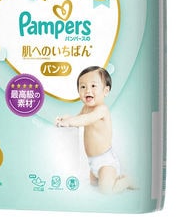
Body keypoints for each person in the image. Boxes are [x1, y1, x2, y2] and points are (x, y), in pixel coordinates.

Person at [55, 66, 135, 194]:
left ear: (106, 91)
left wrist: (69, 121)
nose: (88, 90)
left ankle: (126, 181)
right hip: (92, 162)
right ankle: (113, 178)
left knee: (106, 190)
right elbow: (78, 120)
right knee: (93, 184)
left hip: (106, 162)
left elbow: (86, 119)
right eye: (83, 87)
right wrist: (67, 119)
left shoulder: (102, 110)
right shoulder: (86, 108)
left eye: (93, 86)